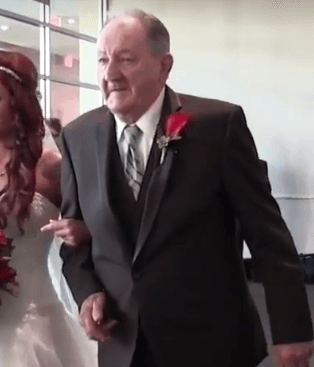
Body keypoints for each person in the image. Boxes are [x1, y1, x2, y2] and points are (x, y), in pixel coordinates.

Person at [57, 9, 313, 367]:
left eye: (126, 60)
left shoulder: (217, 127)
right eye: (102, 60)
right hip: (122, 343)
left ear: (164, 66)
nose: (109, 74)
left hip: (210, 343)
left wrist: (292, 330)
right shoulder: (77, 137)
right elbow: (75, 242)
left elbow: (268, 238)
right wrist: (87, 294)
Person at [0, 49, 97, 367]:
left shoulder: (51, 167)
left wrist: (84, 231)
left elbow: (98, 227)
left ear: (18, 102)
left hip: (32, 324)